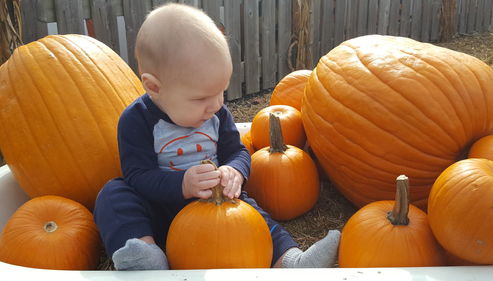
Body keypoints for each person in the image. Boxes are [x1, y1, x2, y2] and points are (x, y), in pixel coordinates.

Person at [93, 3, 340, 270]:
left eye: (221, 91)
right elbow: (138, 175)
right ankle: (145, 257)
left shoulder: (217, 113)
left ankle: (291, 261)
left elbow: (238, 151)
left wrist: (234, 170)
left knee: (251, 210)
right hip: (157, 208)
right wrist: (182, 184)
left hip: (215, 204)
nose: (216, 104)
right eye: (201, 98)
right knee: (113, 195)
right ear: (154, 87)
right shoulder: (136, 120)